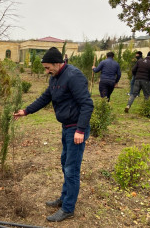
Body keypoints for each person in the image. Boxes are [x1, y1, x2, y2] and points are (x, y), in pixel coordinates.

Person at [13, 47, 94, 222]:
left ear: (58, 63)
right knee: (65, 163)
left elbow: (87, 104)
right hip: (66, 127)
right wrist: (26, 111)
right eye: (45, 68)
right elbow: (45, 98)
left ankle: (68, 208)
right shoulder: (55, 78)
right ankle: (65, 198)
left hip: (76, 129)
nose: (46, 71)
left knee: (72, 169)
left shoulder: (73, 76)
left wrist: (80, 130)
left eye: (48, 67)